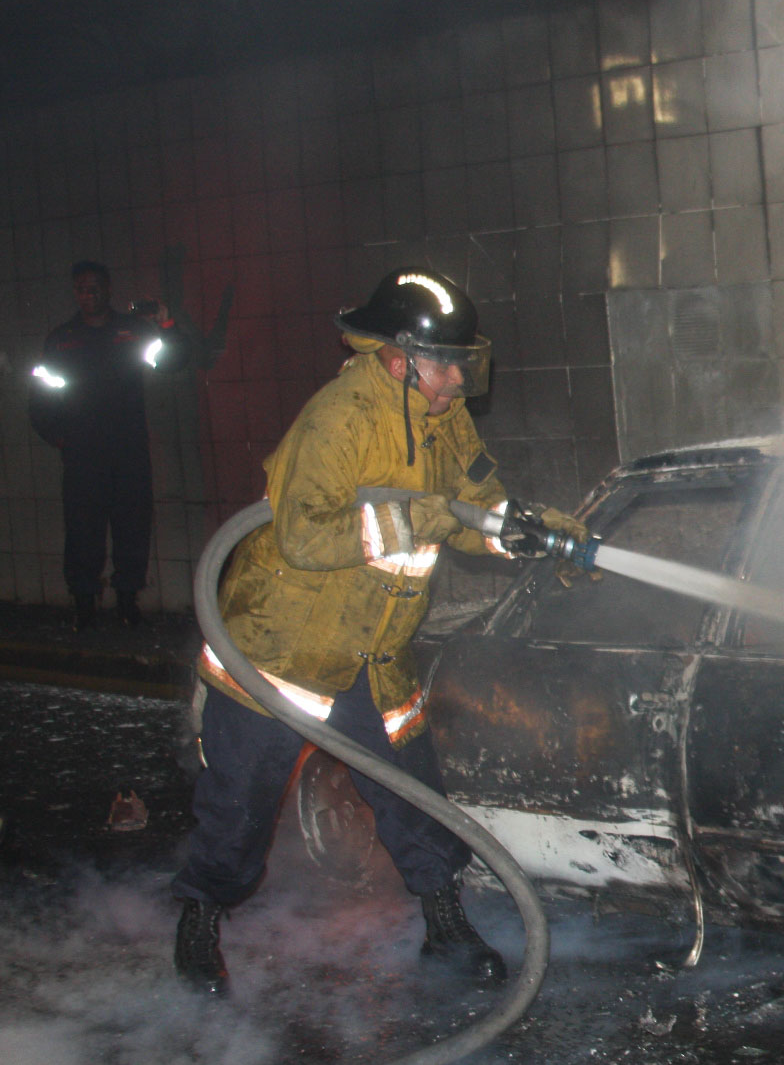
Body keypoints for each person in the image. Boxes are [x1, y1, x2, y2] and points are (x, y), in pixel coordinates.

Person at [172, 267, 588, 996]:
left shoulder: (442, 419)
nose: (460, 378)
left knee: (412, 790)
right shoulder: (337, 420)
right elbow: (303, 535)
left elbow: (474, 504)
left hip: (374, 649)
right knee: (240, 806)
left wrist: (525, 531)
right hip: (283, 651)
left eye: (465, 361)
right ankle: (200, 920)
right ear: (399, 361)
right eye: (448, 363)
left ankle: (444, 924)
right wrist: (416, 515)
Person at [28, 261, 180, 629]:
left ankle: (128, 601)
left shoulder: (131, 331)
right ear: (75, 292)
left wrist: (166, 325)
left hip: (128, 450)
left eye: (94, 287)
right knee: (83, 529)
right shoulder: (62, 338)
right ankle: (84, 603)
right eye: (81, 288)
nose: (88, 294)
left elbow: (174, 362)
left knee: (132, 525)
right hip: (82, 454)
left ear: (108, 290)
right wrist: (60, 437)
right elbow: (41, 396)